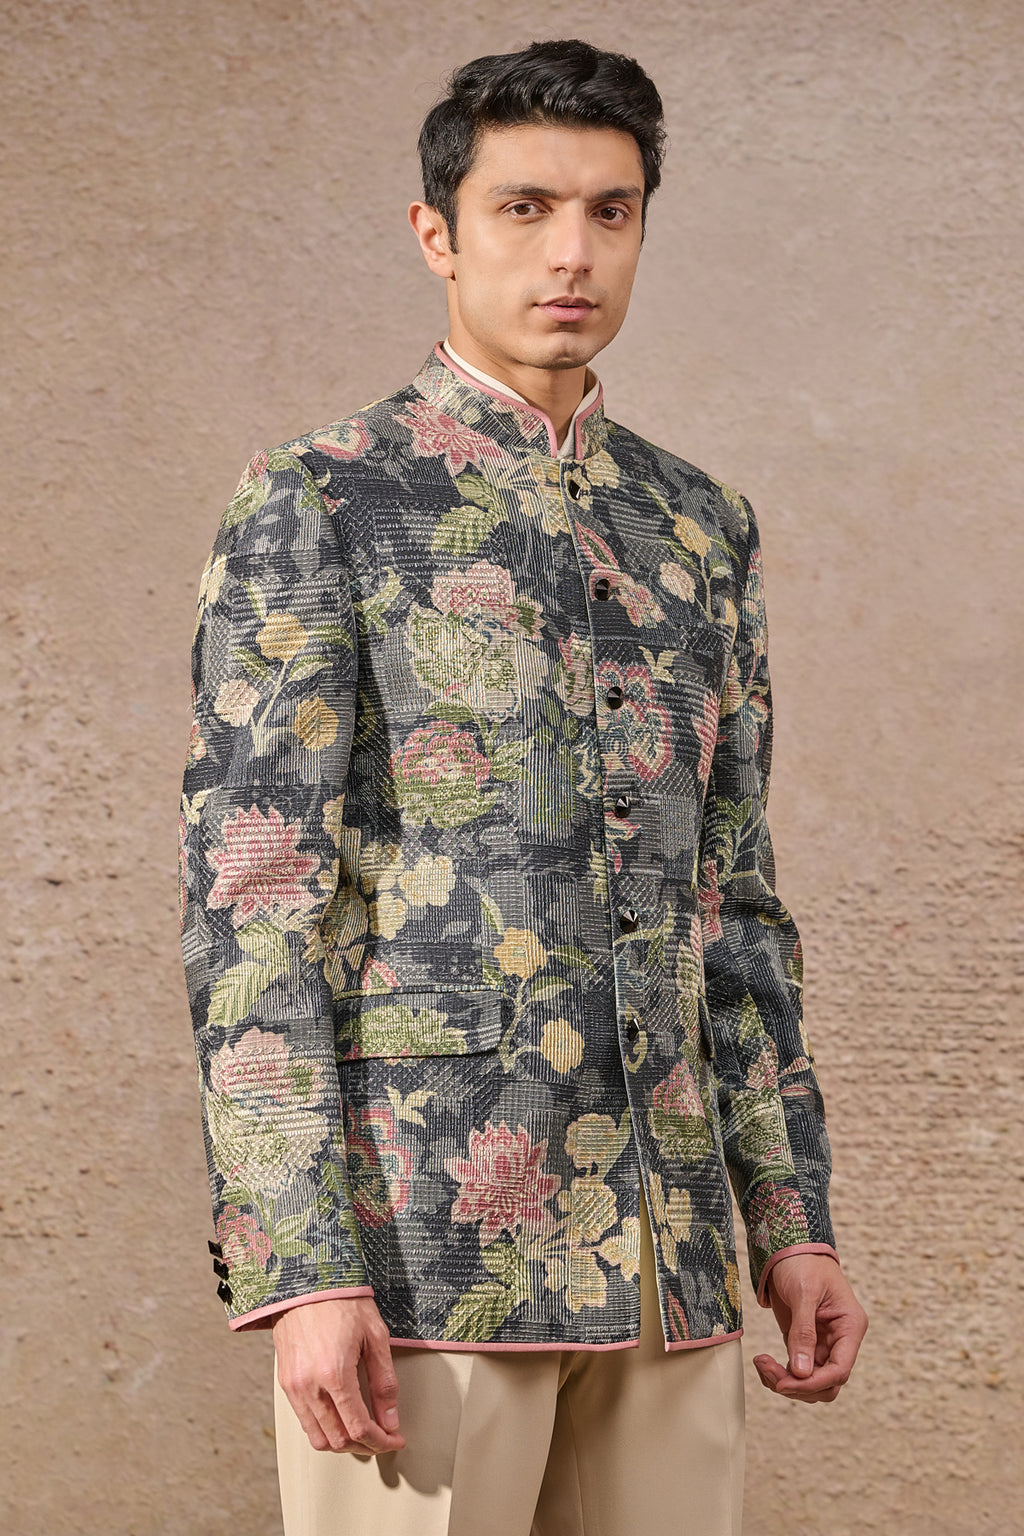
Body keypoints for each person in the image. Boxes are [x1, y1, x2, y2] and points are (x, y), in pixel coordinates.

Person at [179, 36, 868, 1536]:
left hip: (669, 1259)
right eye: (525, 208)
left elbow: (734, 905)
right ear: (437, 233)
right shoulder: (323, 496)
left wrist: (790, 1222)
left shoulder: (698, 526)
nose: (573, 253)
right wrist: (303, 1268)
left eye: (611, 212)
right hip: (424, 1255)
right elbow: (254, 906)